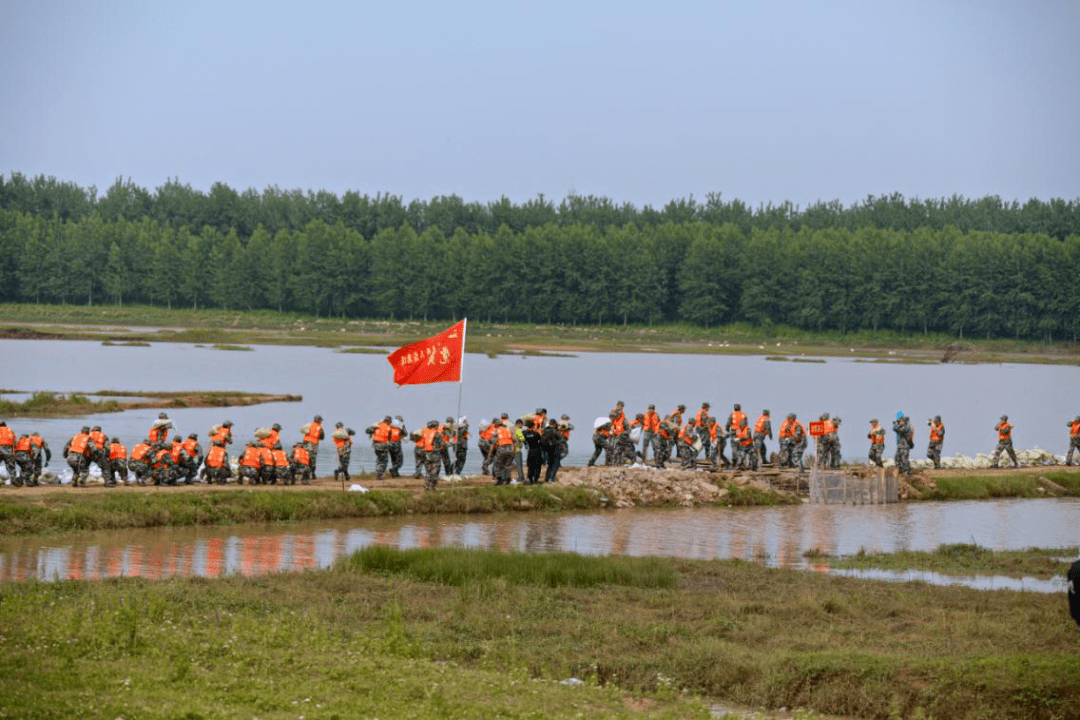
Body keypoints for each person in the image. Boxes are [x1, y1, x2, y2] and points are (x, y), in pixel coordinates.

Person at [490, 419, 516, 486]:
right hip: (510, 448)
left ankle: (499, 479)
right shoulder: (508, 430)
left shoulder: (496, 431)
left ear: (496, 425)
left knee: (497, 464)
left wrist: (490, 453)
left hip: (501, 448)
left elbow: (493, 443)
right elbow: (515, 440)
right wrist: (514, 449)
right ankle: (508, 479)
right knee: (507, 465)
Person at [421, 419, 445, 491]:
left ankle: (427, 485)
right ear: (435, 426)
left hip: (427, 455)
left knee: (428, 471)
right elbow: (442, 444)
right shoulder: (437, 434)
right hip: (435, 455)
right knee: (435, 470)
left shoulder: (425, 433)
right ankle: (433, 487)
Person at [521, 416, 543, 484]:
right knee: (537, 466)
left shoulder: (524, 433)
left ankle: (530, 479)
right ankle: (536, 479)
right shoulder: (536, 433)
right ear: (533, 426)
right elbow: (541, 439)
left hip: (530, 451)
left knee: (530, 466)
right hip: (537, 450)